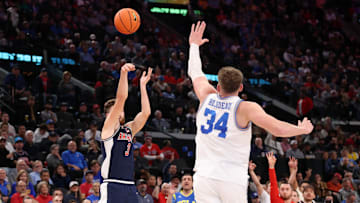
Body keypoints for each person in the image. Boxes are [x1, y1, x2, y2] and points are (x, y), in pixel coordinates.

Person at [187, 21, 314, 202]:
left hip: (204, 176)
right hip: (231, 178)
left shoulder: (206, 95)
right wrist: (302, 129)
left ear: (218, 85)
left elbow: (195, 72)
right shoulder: (245, 108)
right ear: (240, 87)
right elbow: (278, 129)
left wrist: (193, 45)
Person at [99, 64, 152, 203]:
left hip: (129, 185)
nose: (119, 111)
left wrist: (142, 86)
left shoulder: (128, 130)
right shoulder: (107, 130)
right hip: (112, 184)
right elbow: (121, 98)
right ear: (107, 115)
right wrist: (123, 74)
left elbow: (146, 113)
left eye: (121, 110)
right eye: (116, 110)